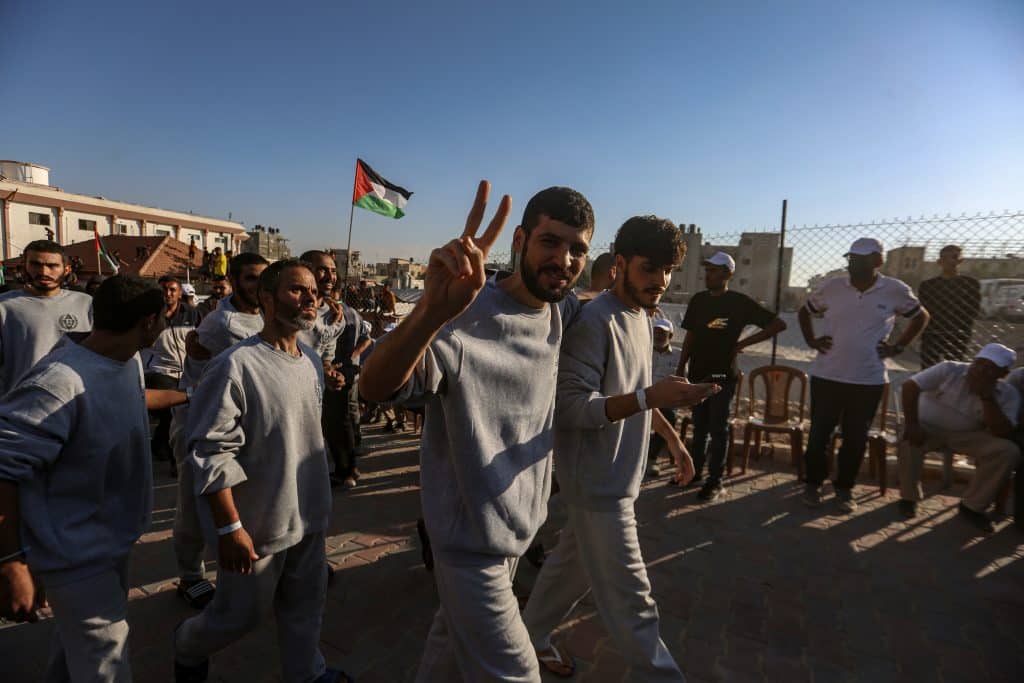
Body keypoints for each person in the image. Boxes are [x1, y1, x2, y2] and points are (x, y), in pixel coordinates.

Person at [522, 216, 712, 681]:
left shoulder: (642, 319)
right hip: (597, 486)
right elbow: (571, 406)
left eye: (668, 270)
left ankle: (530, 638)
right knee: (633, 602)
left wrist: (674, 441)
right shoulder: (596, 320)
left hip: (619, 481)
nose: (660, 281)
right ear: (620, 264)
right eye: (650, 269)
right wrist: (650, 398)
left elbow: (641, 392)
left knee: (573, 569)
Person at [173, 260, 347, 683]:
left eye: (313, 291)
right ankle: (187, 646)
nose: (310, 298)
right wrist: (231, 527)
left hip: (308, 513)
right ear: (266, 300)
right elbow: (211, 453)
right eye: (296, 290)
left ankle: (306, 673)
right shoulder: (235, 366)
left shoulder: (308, 359)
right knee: (239, 617)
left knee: (306, 608)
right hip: (258, 524)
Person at [0, 276, 172, 682]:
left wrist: (189, 395)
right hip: (74, 553)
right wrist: (10, 564)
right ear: (148, 322)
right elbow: (3, 471)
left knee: (75, 651)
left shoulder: (126, 361)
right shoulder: (61, 382)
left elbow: (130, 401)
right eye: (164, 318)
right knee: (105, 663)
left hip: (110, 541)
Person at [798, 237, 930, 512]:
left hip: (866, 380)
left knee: (855, 438)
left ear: (877, 261)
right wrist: (812, 340)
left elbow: (920, 317)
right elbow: (805, 311)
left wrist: (898, 346)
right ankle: (812, 484)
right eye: (852, 259)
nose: (854, 264)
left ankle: (844, 490)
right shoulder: (834, 286)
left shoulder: (894, 290)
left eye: (861, 259)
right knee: (819, 434)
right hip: (827, 375)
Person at [169, 253, 268, 610]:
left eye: (264, 278)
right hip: (200, 424)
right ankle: (191, 575)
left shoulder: (264, 316)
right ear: (237, 281)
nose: (259, 286)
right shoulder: (222, 323)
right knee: (193, 504)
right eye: (252, 279)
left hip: (240, 425)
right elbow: (202, 378)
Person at [676, 251, 787, 500]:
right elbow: (690, 336)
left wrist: (742, 344)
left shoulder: (739, 302)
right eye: (707, 269)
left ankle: (715, 481)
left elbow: (778, 324)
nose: (708, 274)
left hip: (722, 375)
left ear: (728, 274)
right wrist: (680, 367)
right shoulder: (698, 301)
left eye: (714, 270)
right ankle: (695, 474)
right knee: (700, 426)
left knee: (718, 428)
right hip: (698, 374)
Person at [897, 343, 1020, 532]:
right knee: (908, 439)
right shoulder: (949, 369)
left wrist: (987, 397)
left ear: (1002, 375)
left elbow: (1002, 432)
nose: (980, 371)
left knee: (1007, 451)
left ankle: (972, 506)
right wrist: (912, 423)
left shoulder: (1009, 394)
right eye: (979, 364)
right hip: (928, 427)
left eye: (990, 369)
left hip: (968, 435)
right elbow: (910, 386)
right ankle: (909, 497)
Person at [0, 240, 93, 396]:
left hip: (75, 400)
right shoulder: (4, 306)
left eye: (52, 266)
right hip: (20, 404)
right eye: (36, 264)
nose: (44, 272)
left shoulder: (86, 303)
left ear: (67, 269)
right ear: (24, 267)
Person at [147, 276, 202, 462]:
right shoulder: (150, 315)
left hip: (187, 372)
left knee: (182, 413)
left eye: (172, 290)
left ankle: (160, 443)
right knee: (172, 409)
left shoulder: (193, 314)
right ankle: (174, 458)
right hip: (160, 371)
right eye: (164, 290)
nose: (168, 294)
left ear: (180, 292)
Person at [917, 245, 981, 368]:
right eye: (945, 257)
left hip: (957, 333)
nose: (950, 261)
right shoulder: (928, 285)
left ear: (960, 260)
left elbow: (973, 310)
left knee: (953, 369)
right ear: (939, 261)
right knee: (928, 369)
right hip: (932, 333)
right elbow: (923, 310)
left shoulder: (969, 284)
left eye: (954, 257)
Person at [648, 317, 684, 478]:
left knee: (669, 415)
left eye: (663, 333)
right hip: (643, 396)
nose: (658, 335)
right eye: (656, 332)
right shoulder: (643, 350)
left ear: (670, 336)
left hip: (665, 400)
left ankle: (651, 458)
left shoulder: (679, 356)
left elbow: (684, 379)